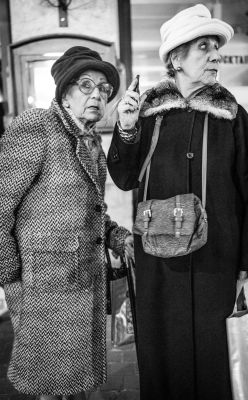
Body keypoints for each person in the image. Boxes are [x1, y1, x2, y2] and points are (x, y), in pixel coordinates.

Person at [107, 4, 248, 400]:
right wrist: (125, 131)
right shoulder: (147, 114)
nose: (216, 55)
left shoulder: (232, 116)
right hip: (160, 263)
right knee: (166, 353)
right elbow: (124, 178)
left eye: (216, 47)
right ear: (176, 58)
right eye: (204, 47)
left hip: (218, 258)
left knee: (217, 354)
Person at [0, 46, 133, 400]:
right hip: (42, 288)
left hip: (83, 282)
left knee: (77, 385)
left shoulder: (91, 142)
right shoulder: (37, 126)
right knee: (50, 387)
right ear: (65, 92)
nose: (97, 95)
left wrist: (119, 238)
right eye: (86, 85)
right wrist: (12, 279)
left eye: (104, 90)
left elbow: (93, 212)